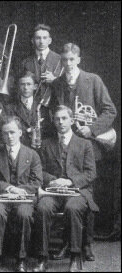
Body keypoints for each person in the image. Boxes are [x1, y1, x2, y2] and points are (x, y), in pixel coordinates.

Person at [50, 43, 117, 242]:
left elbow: (110, 110)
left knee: (84, 193)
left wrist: (92, 128)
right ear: (60, 61)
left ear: (78, 60)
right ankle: (68, 242)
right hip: (66, 144)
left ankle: (84, 243)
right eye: (64, 60)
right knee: (66, 193)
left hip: (88, 144)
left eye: (72, 59)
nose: (68, 63)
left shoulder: (93, 80)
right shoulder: (58, 83)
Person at [33, 105, 97, 272]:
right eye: (57, 119)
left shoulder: (85, 144)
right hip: (52, 192)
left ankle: (75, 256)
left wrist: (70, 182)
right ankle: (42, 257)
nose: (61, 122)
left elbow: (91, 173)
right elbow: (40, 170)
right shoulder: (46, 144)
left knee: (73, 208)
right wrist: (53, 180)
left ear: (72, 120)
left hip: (77, 191)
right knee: (42, 207)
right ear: (53, 122)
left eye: (64, 118)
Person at [0, 115, 42, 272]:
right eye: (5, 133)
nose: (9, 137)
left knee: (24, 214)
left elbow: (37, 181)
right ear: (1, 135)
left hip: (24, 199)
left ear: (20, 133)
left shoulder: (32, 154)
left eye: (12, 132)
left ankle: (21, 259)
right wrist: (10, 189)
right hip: (1, 198)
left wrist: (21, 191)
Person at [5, 71, 53, 147]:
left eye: (29, 84)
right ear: (18, 86)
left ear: (35, 87)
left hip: (40, 149)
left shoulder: (44, 108)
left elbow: (48, 133)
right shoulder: (9, 108)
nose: (26, 88)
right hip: (19, 148)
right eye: (22, 84)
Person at [19, 24, 62, 105]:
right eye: (38, 38)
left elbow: (68, 85)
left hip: (54, 105)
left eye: (45, 38)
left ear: (50, 41)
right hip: (32, 106)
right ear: (32, 40)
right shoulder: (25, 62)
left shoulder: (60, 60)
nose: (41, 41)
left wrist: (55, 80)